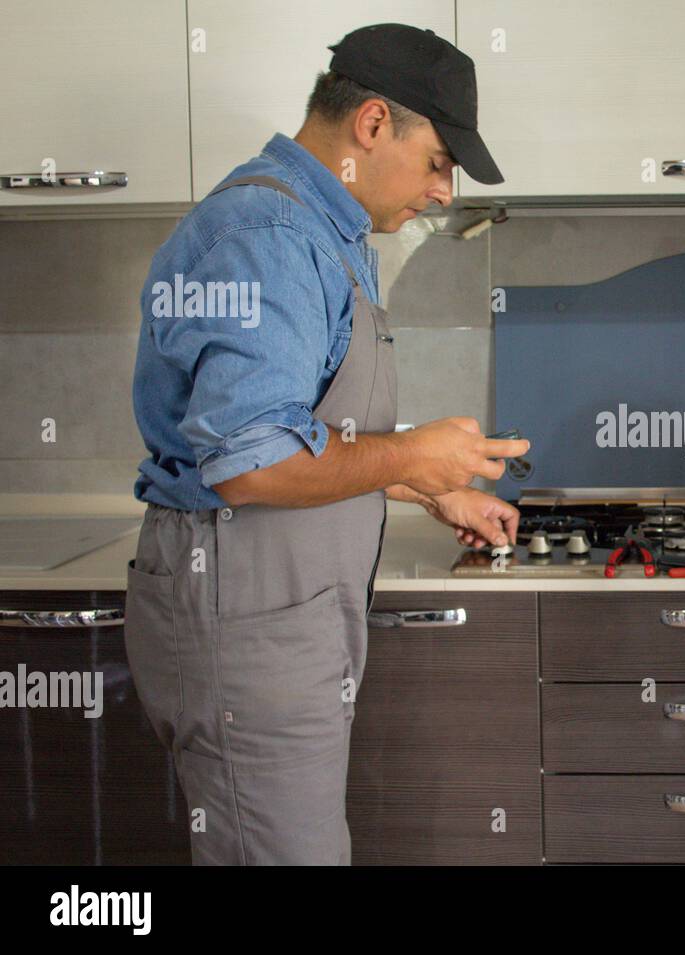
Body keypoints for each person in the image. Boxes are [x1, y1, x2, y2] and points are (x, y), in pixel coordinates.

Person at [125, 23, 528, 865]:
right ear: (374, 124)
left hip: (277, 613)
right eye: (439, 161)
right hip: (247, 619)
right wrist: (414, 453)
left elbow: (306, 435)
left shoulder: (322, 228)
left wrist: (430, 489)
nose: (445, 191)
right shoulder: (271, 238)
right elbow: (250, 461)